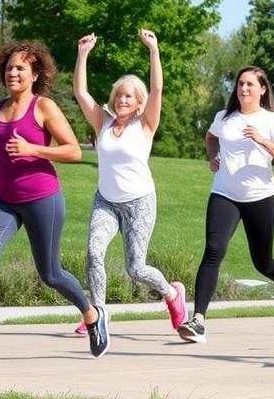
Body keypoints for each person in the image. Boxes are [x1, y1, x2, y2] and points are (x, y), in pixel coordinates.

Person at [0, 40, 109, 362]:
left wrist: (33, 149)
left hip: (42, 199)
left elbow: (73, 150)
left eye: (21, 68)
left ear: (35, 74)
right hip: (3, 199)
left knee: (50, 274)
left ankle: (92, 314)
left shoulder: (44, 107)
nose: (13, 73)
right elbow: (1, 148)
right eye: (9, 67)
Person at [176, 66, 274, 344]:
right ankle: (198, 320)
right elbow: (211, 137)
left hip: (261, 197)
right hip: (224, 194)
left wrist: (263, 141)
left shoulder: (271, 120)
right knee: (213, 250)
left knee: (263, 263)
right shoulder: (224, 118)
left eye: (250, 84)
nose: (244, 89)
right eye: (240, 84)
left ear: (263, 89)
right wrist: (213, 157)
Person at [72, 29, 188, 336]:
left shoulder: (146, 123)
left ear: (138, 102)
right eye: (119, 95)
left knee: (136, 269)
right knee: (94, 252)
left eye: (129, 96)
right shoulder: (103, 121)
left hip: (139, 203)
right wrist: (82, 55)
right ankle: (98, 313)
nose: (122, 99)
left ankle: (172, 294)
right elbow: (81, 93)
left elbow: (158, 88)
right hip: (106, 202)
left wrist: (154, 51)